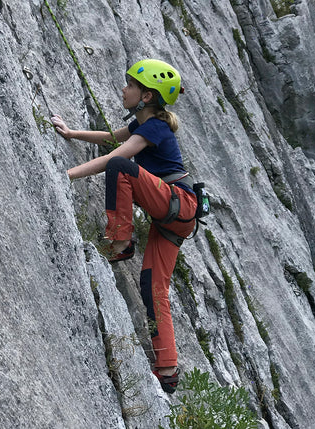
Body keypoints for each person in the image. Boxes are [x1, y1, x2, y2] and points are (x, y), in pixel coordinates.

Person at [52, 59, 197, 394]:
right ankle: (168, 369)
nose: (123, 89)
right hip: (176, 215)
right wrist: (72, 132)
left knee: (120, 165)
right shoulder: (143, 123)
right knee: (153, 287)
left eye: (130, 85)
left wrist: (65, 176)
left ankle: (120, 242)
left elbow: (114, 157)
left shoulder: (155, 128)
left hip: (176, 204)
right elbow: (109, 137)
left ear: (146, 95)